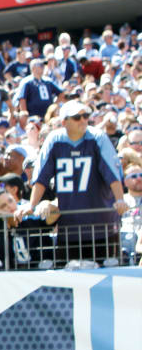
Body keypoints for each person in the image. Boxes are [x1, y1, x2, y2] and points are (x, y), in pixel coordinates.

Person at [19, 100, 127, 266]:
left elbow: (112, 173)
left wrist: (119, 199)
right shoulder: (55, 140)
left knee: (107, 276)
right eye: (77, 117)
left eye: (85, 116)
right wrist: (32, 205)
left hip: (102, 225)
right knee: (72, 280)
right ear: (64, 122)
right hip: (69, 227)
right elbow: (41, 177)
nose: (83, 120)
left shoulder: (97, 137)